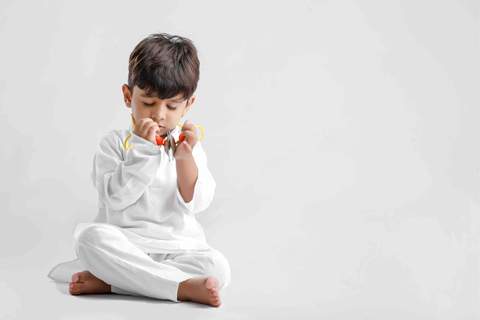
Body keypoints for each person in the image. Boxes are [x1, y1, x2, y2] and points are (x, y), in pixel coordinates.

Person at [47, 33, 231, 307]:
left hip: (177, 248)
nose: (159, 114)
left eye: (171, 106)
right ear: (127, 95)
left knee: (218, 267)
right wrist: (143, 151)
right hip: (126, 244)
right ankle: (181, 288)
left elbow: (198, 203)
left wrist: (184, 159)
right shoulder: (114, 143)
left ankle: (114, 283)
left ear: (188, 105)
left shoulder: (188, 146)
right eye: (148, 102)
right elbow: (116, 198)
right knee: (89, 239)